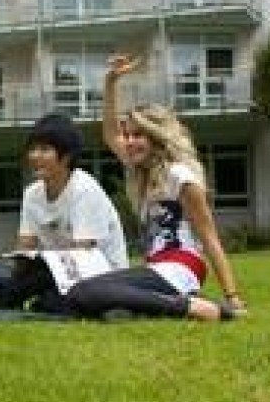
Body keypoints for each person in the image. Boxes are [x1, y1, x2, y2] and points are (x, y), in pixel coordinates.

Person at [64, 54, 246, 323]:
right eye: (128, 135)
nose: (128, 141)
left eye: (138, 135)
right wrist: (110, 82)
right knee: (80, 297)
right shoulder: (141, 171)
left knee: (84, 292)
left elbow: (210, 239)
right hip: (157, 267)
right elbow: (109, 134)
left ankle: (198, 308)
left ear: (157, 138)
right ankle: (168, 305)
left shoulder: (180, 176)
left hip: (182, 266)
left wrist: (232, 297)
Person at [0, 112, 129, 313]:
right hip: (58, 271)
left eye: (44, 150)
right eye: (33, 149)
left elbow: (83, 254)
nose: (35, 156)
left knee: (46, 295)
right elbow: (25, 246)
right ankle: (7, 296)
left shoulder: (84, 188)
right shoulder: (32, 193)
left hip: (100, 276)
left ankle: (9, 299)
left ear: (66, 156)